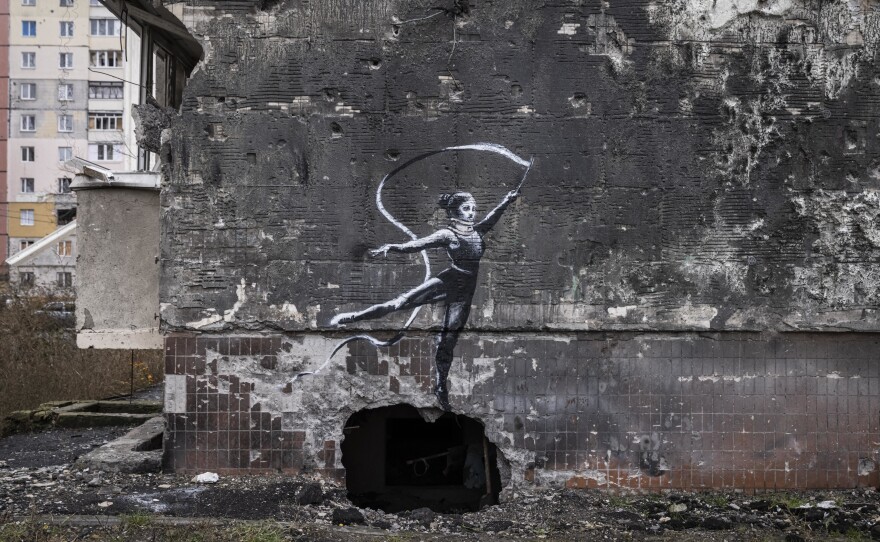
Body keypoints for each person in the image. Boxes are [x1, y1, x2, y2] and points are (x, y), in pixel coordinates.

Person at [330, 189, 520, 410]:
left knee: (447, 342)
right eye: (466, 209)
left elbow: (493, 217)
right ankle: (353, 317)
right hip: (448, 281)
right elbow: (418, 244)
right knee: (399, 303)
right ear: (454, 212)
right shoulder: (447, 235)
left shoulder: (477, 233)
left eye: (474, 209)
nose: (472, 213)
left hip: (463, 294)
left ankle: (440, 388)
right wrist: (393, 248)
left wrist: (506, 200)